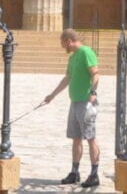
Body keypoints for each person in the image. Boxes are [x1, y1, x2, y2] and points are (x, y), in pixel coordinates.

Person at [41, 29, 100, 188]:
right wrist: (52, 95)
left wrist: (93, 93)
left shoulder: (86, 52)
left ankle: (94, 174)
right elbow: (67, 78)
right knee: (76, 138)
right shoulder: (73, 57)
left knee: (90, 138)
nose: (62, 46)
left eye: (62, 43)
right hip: (74, 103)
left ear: (68, 41)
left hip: (85, 103)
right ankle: (75, 172)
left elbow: (95, 74)